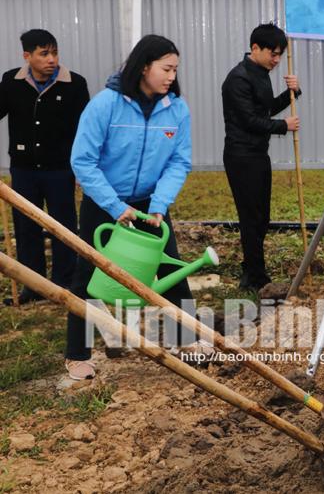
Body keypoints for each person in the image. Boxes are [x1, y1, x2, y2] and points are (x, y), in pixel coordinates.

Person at [65, 35, 199, 380]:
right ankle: (77, 354)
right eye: (166, 68)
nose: (172, 76)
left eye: (175, 70)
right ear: (144, 67)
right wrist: (113, 205)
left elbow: (179, 162)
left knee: (170, 267)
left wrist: (159, 205)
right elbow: (83, 161)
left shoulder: (176, 109)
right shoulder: (105, 105)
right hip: (104, 203)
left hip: (150, 206)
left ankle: (186, 339)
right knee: (88, 273)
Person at [0, 30, 89, 304]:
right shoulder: (11, 81)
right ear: (27, 56)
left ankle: (64, 284)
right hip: (24, 168)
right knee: (26, 227)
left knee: (63, 225)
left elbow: (85, 130)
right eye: (44, 54)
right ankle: (33, 286)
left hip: (60, 169)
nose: (51, 60)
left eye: (54, 53)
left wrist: (82, 169)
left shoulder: (74, 84)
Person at [221, 23, 300, 291]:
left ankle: (251, 269)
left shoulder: (262, 72)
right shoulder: (238, 79)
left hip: (258, 154)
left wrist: (293, 93)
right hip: (241, 156)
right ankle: (255, 276)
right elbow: (250, 121)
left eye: (280, 55)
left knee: (261, 217)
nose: (277, 60)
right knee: (251, 217)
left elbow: (265, 110)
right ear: (255, 48)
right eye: (273, 54)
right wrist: (283, 126)